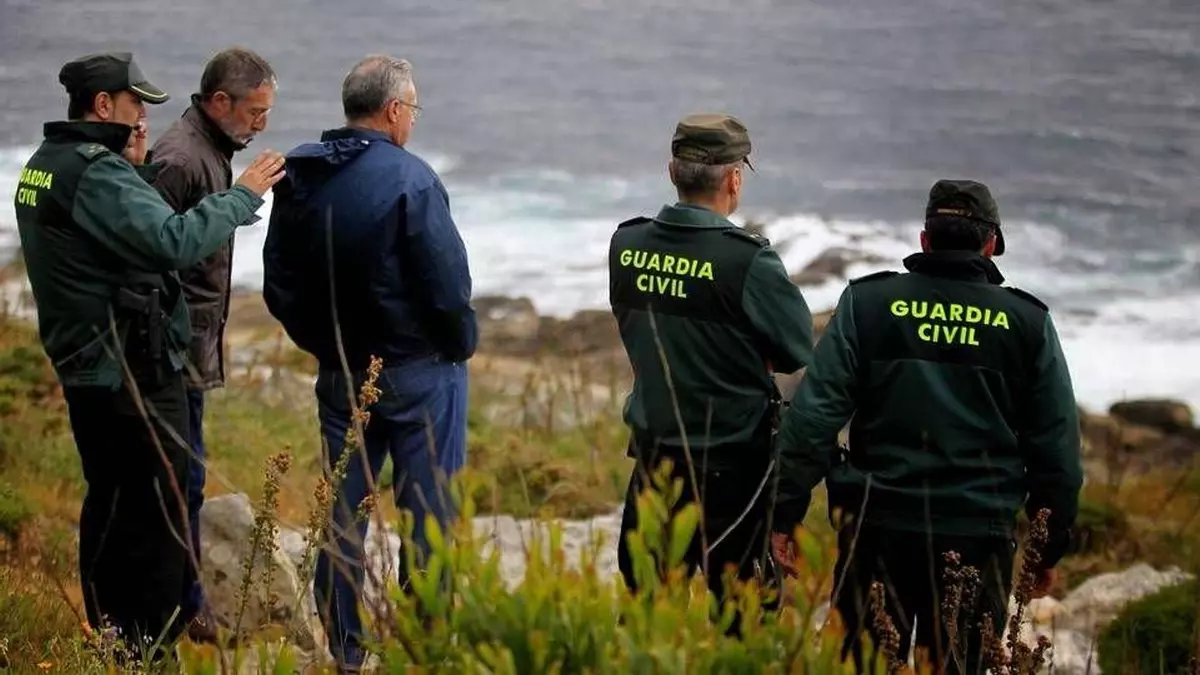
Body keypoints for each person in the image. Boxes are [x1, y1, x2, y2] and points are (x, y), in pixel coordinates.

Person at [11, 51, 284, 656]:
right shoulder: (93, 172)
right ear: (102, 104)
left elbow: (101, 240)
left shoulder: (46, 163)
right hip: (127, 368)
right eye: (135, 103)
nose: (142, 117)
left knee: (110, 503)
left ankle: (107, 633)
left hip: (87, 362)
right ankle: (148, 650)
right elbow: (171, 240)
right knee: (156, 513)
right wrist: (243, 195)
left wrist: (133, 169)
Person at [770, 180, 1083, 674]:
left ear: (924, 239)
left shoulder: (868, 304)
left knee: (866, 665)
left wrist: (784, 512)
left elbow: (813, 417)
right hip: (978, 537)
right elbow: (1057, 449)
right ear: (990, 244)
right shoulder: (1028, 323)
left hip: (877, 529)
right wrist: (1047, 548)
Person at [262, 54, 476, 673]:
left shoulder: (302, 175)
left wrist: (322, 345)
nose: (413, 120)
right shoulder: (412, 180)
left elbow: (280, 284)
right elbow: (447, 288)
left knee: (341, 516)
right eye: (413, 109)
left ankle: (347, 652)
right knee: (429, 515)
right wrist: (459, 345)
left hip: (340, 372)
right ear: (393, 110)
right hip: (418, 372)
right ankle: (425, 650)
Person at [608, 113, 814, 610]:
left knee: (648, 612)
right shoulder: (748, 261)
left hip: (655, 458)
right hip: (733, 468)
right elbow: (796, 349)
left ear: (672, 172)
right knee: (743, 617)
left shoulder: (627, 244)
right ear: (734, 180)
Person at [144, 46, 278, 643]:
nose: (261, 124)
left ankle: (184, 600)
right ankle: (180, 608)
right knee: (180, 479)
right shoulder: (180, 157)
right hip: (173, 348)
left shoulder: (213, 149)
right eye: (255, 112)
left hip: (192, 344)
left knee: (188, 474)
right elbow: (152, 253)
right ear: (220, 101)